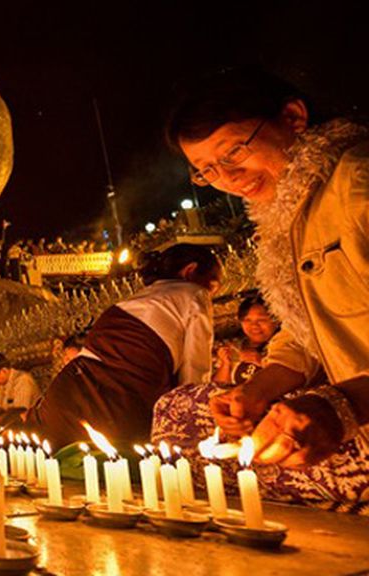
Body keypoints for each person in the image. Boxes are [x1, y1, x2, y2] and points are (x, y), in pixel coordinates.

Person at [152, 68, 369, 512]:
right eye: (207, 171)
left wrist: (342, 407)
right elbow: (305, 332)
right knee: (178, 412)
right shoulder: (288, 215)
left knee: (199, 473)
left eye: (233, 151)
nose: (228, 177)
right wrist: (254, 394)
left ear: (292, 117)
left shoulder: (357, 183)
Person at [30, 244, 220, 450]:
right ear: (190, 271)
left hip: (65, 394)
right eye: (213, 286)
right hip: (116, 406)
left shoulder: (139, 298)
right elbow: (195, 372)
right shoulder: (195, 293)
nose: (212, 294)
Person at [212, 294, 279, 386]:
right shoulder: (234, 348)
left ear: (275, 321)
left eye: (261, 320)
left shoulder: (283, 346)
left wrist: (262, 362)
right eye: (247, 320)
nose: (254, 326)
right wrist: (225, 364)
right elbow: (218, 386)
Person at [0, 352, 41, 427]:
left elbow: (17, 411)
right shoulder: (1, 383)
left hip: (29, 425)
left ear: (4, 371)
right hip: (11, 424)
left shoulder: (22, 380)